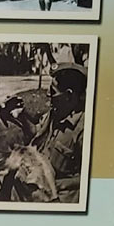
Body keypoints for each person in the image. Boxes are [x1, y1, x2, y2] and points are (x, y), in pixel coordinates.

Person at [31, 63, 88, 196]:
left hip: (61, 194)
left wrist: (58, 184)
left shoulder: (83, 129)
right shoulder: (55, 113)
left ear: (68, 95)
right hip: (41, 181)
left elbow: (94, 178)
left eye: (52, 90)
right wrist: (21, 116)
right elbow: (36, 133)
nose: (47, 93)